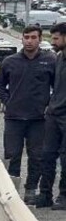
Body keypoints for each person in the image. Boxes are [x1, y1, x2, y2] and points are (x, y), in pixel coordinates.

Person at [0, 25, 56, 204]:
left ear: (39, 39)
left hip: (39, 119)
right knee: (13, 155)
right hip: (14, 118)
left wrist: (49, 104)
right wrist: (8, 101)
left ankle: (30, 190)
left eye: (33, 37)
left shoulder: (50, 60)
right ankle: (12, 191)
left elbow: (58, 86)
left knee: (36, 156)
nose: (29, 41)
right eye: (26, 37)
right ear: (22, 39)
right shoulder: (10, 61)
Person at [38, 22, 66, 209]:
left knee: (65, 158)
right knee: (47, 155)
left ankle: (63, 196)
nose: (52, 41)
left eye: (56, 38)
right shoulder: (58, 58)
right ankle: (45, 194)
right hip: (53, 115)